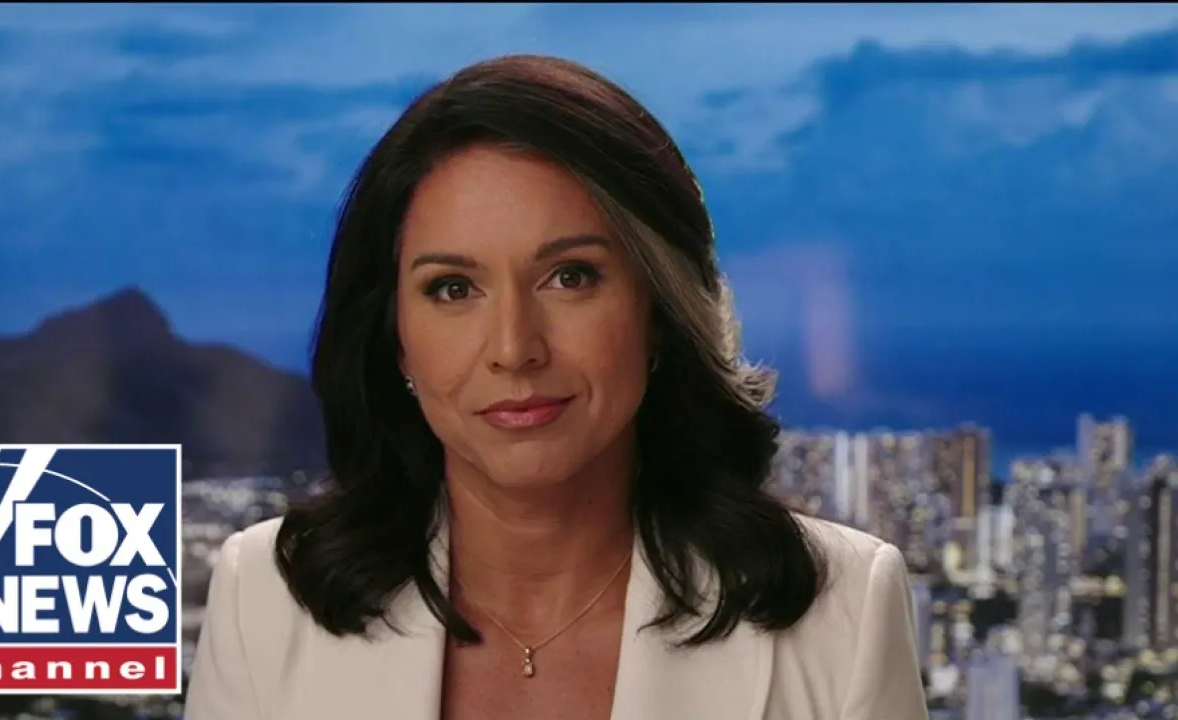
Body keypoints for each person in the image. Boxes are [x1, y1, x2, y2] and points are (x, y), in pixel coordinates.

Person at [184, 54, 928, 720]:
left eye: (570, 277)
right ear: (395, 339)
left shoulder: (842, 614)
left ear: (659, 313)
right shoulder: (265, 601)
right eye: (453, 289)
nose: (515, 349)